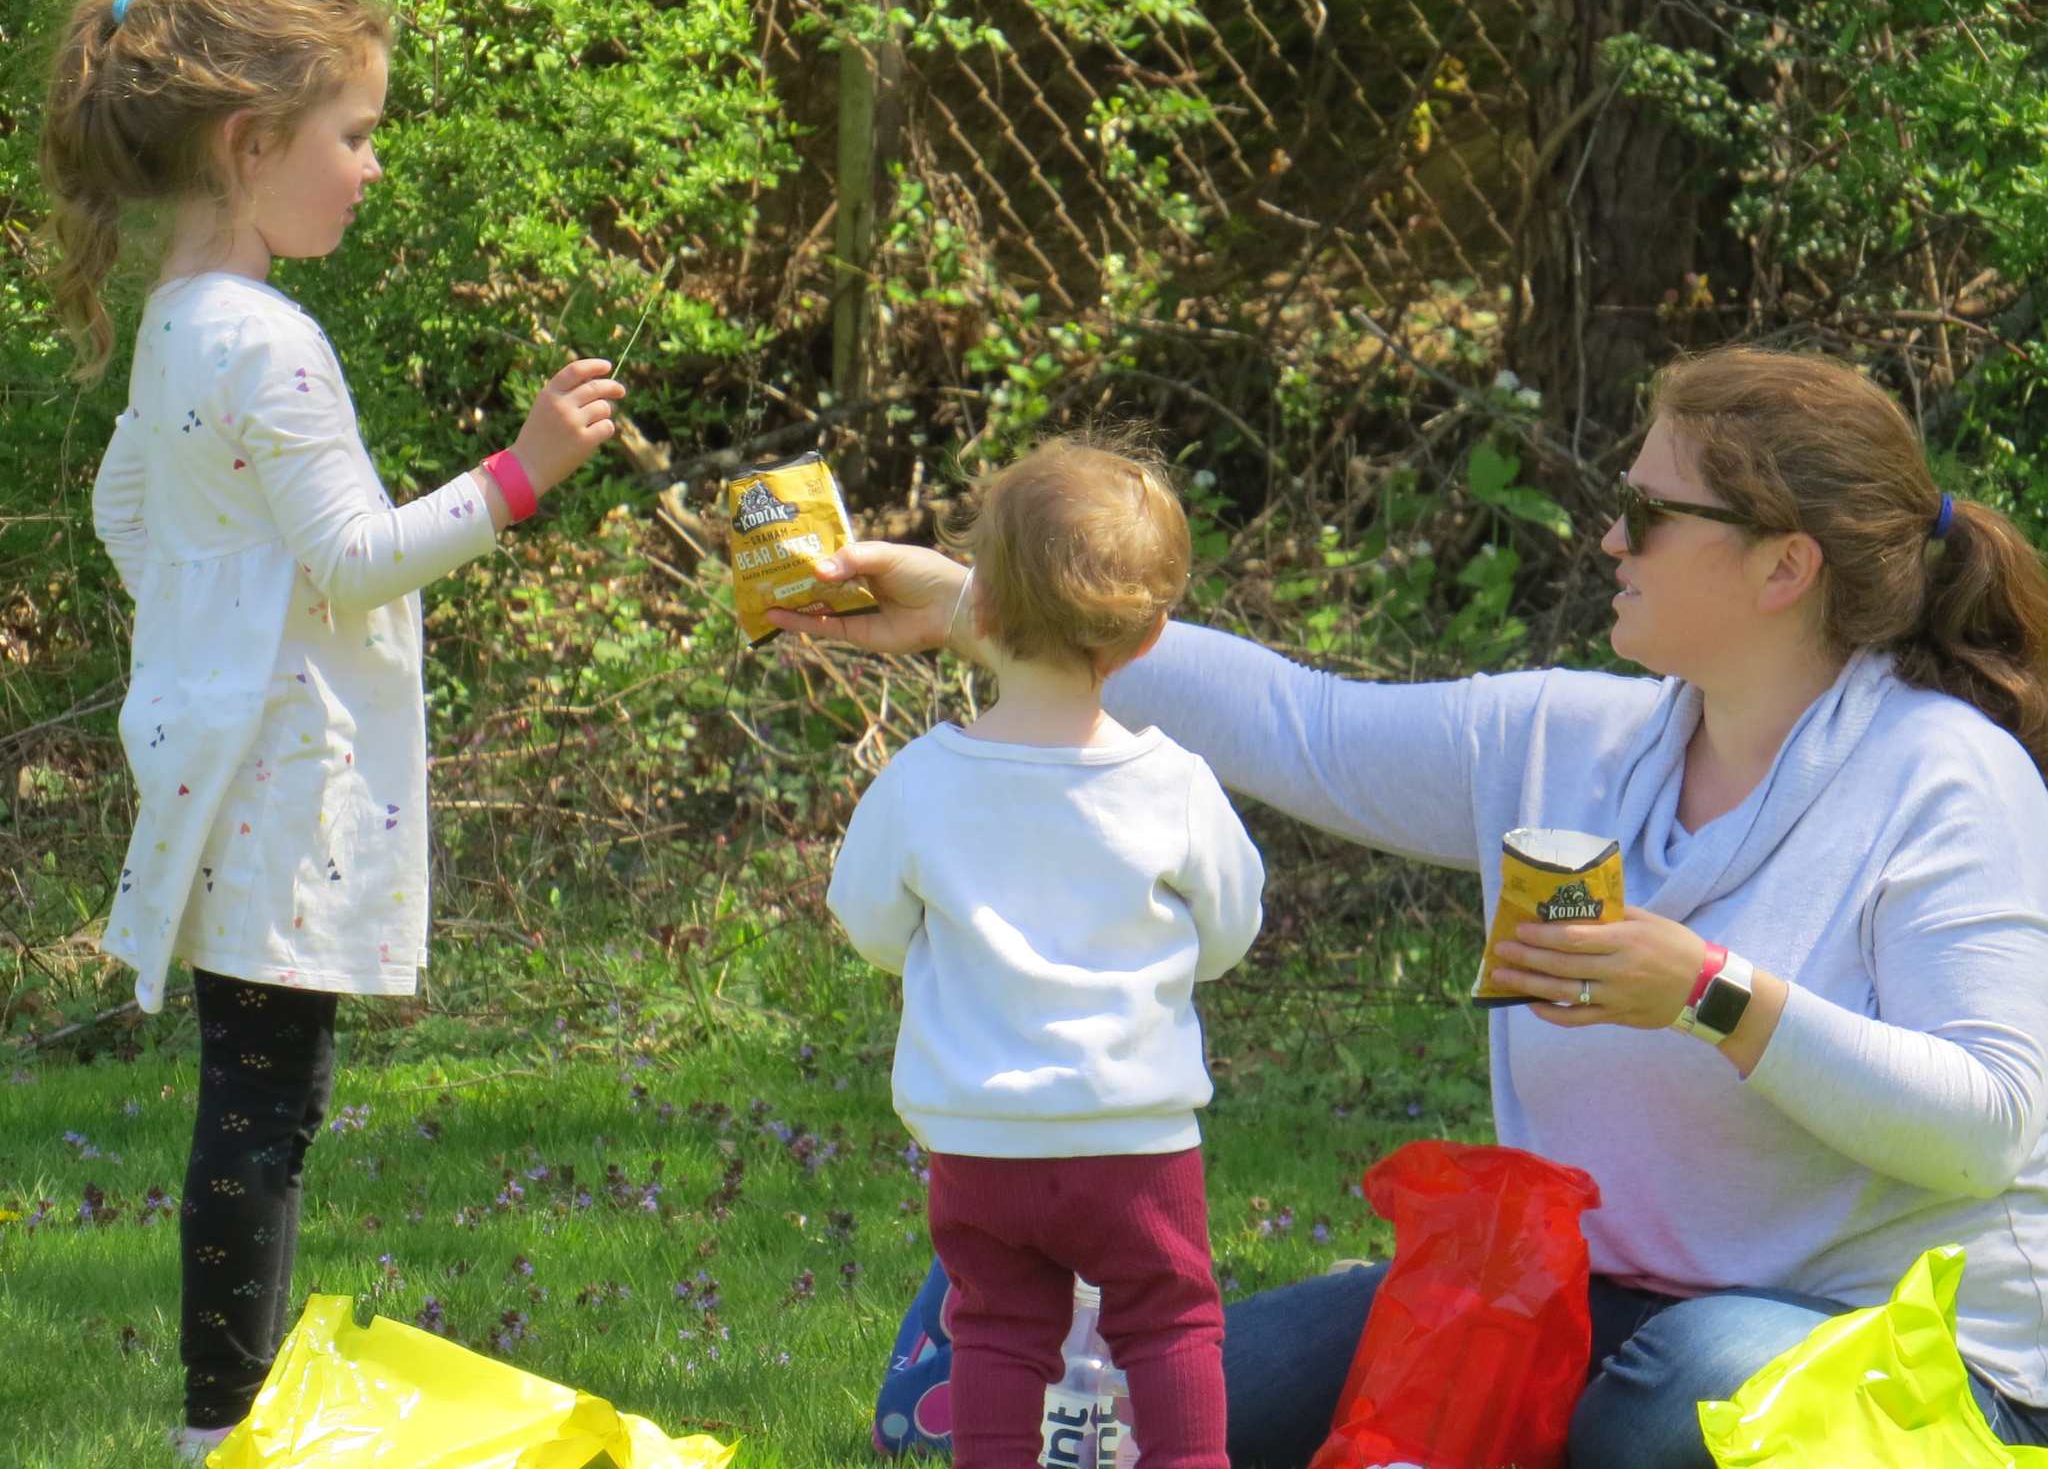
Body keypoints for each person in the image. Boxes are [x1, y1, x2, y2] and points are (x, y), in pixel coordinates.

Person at [774, 347, 2048, 1468]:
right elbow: (1299, 722)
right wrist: (980, 607)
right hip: (1588, 1304)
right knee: (1178, 1407)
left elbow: (1986, 1127)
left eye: (1645, 514)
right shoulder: (1563, 739)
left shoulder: (1942, 776)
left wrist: (1713, 994)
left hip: (1891, 1351)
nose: (1608, 539)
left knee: (1683, 1397)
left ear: (1784, 564)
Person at [40, 0, 625, 1458]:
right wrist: (523, 469)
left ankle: (211, 1418)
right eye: (352, 135)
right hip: (289, 778)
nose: (371, 168)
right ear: (249, 146)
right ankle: (217, 1424)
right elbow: (362, 561)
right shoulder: (272, 341)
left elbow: (126, 513)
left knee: (249, 1096)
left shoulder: (180, 325)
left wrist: (207, 621)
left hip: (224, 755)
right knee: (263, 1114)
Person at [826, 437, 1265, 1469]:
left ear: (975, 610)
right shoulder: (1175, 784)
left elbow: (869, 922)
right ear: (1151, 634)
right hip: (1134, 1138)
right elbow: (1230, 933)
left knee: (994, 1326)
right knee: (1168, 1325)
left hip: (981, 1138)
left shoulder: (922, 781)